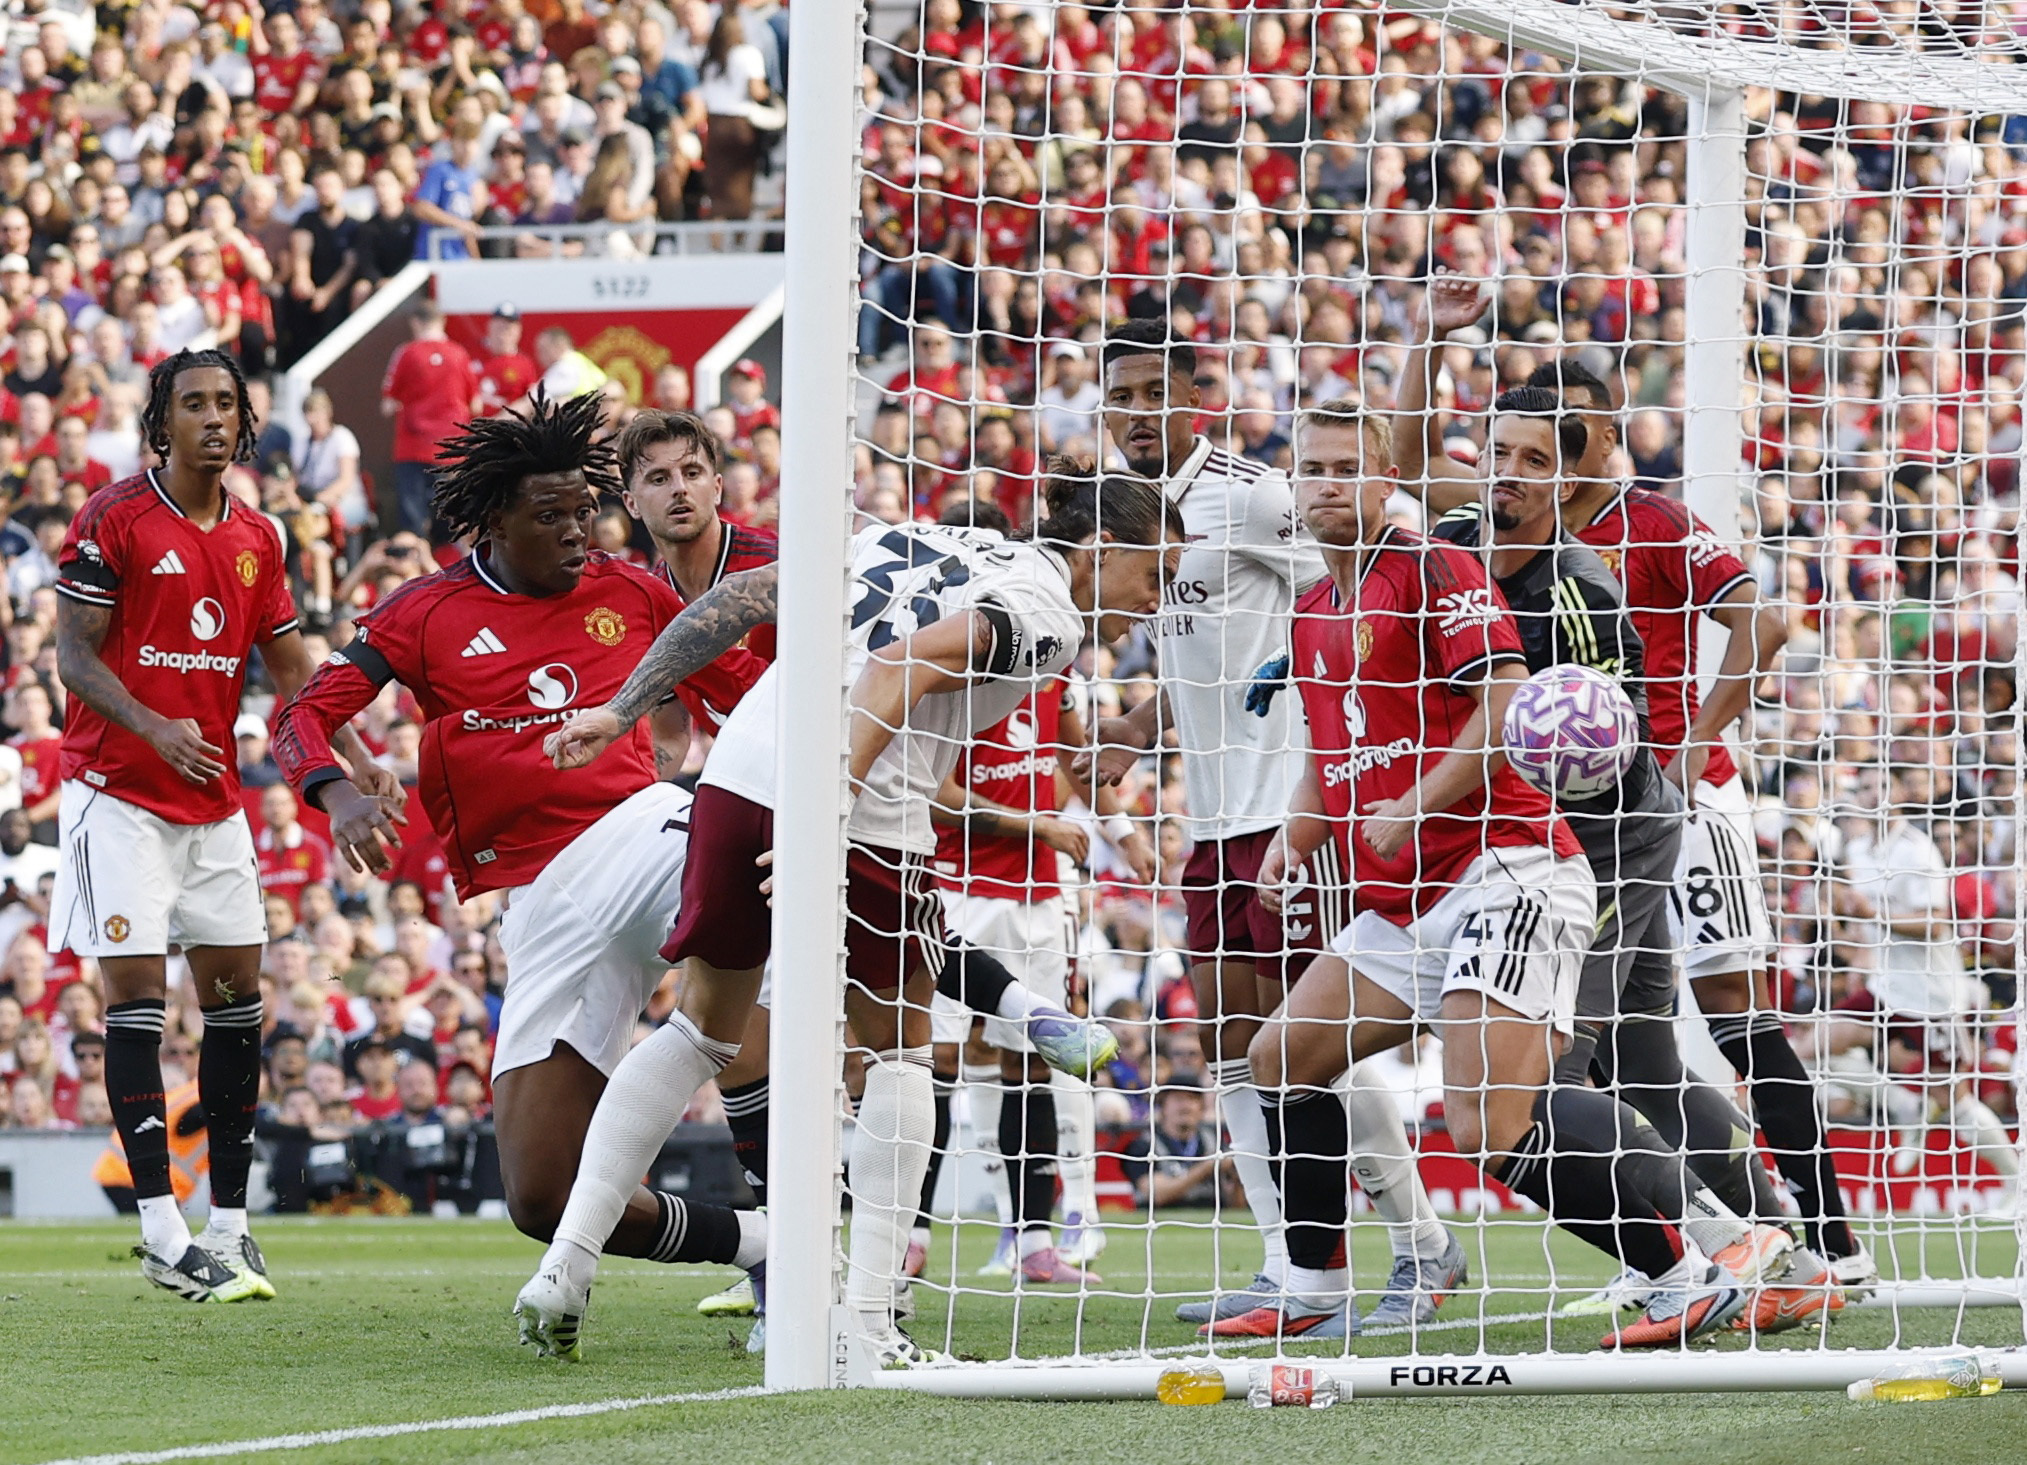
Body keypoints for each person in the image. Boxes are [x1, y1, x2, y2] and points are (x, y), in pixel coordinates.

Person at [520, 466, 1177, 1365]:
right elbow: (900, 665)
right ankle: (869, 1323)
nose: (1152, 603)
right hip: (854, 805)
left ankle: (565, 1265)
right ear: (1101, 553)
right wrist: (824, 808)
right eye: (1152, 575)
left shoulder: (902, 536)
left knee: (702, 1033)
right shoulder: (1046, 610)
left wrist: (620, 708)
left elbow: (741, 599)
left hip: (740, 772)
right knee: (900, 1051)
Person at [1248, 401, 1782, 1351]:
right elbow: (1331, 746)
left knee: (1489, 1124)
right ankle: (1309, 1282)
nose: (1325, 482)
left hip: (1509, 869)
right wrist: (1297, 832)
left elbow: (1501, 697)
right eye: (1310, 468)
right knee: (1281, 1057)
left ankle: (1692, 1267)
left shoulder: (1436, 568)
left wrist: (1413, 805)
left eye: (1345, 468)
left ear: (1385, 486)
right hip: (1408, 899)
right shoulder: (1313, 607)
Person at [1393, 276, 1872, 1292]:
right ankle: (1768, 1223)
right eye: (1502, 450)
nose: (1510, 469)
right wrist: (1423, 344)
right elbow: (1404, 468)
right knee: (1644, 1052)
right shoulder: (1493, 523)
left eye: (1547, 447)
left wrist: (1695, 742)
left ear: (1597, 445)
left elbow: (1764, 616)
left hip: (1643, 811)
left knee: (1669, 1030)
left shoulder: (1632, 534)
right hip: (1558, 822)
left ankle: (1770, 1241)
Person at [271, 393, 765, 1343]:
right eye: (552, 516)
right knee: (540, 1195)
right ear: (493, 520)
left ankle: (943, 992)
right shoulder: (423, 612)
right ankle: (764, 1244)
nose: (581, 532)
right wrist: (334, 797)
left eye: (587, 510)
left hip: (638, 834)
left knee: (744, 878)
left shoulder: (634, 591)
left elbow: (746, 702)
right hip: (539, 906)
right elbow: (301, 714)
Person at [1078, 318, 1459, 1330]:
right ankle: (1284, 1265)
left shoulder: (1250, 493)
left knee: (1312, 1043)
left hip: (1291, 810)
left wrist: (1329, 739)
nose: (1135, 415)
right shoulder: (1131, 517)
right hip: (1207, 820)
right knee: (1233, 1050)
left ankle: (1421, 1246)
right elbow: (1207, 657)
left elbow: (1345, 600)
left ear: (1193, 398)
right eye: (1118, 397)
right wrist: (1133, 728)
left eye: (1153, 393)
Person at [50, 348, 394, 1302]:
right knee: (135, 998)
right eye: (192, 403)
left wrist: (357, 757)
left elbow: (293, 672)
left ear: (246, 424)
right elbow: (70, 659)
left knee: (240, 996)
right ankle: (161, 1225)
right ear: (161, 423)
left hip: (212, 803)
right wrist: (158, 724)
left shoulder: (260, 538)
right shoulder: (113, 517)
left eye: (226, 405)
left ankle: (232, 1227)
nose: (211, 417)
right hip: (115, 792)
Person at [381, 301, 477, 536]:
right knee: (450, 523)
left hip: (413, 448)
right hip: (452, 449)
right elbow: (475, 403)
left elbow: (387, 404)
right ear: (441, 321)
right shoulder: (459, 354)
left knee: (413, 523)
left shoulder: (407, 353)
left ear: (415, 322)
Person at [696, 13, 769, 222]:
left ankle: (716, 247)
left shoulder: (710, 58)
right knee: (741, 184)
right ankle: (739, 241)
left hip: (716, 126)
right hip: (740, 125)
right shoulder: (748, 54)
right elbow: (757, 91)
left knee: (718, 188)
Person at [474, 305, 540, 418]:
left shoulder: (524, 365)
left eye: (508, 327)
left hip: (508, 428)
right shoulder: (471, 355)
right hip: (471, 428)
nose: (503, 332)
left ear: (518, 331)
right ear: (490, 326)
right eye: (499, 326)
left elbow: (532, 401)